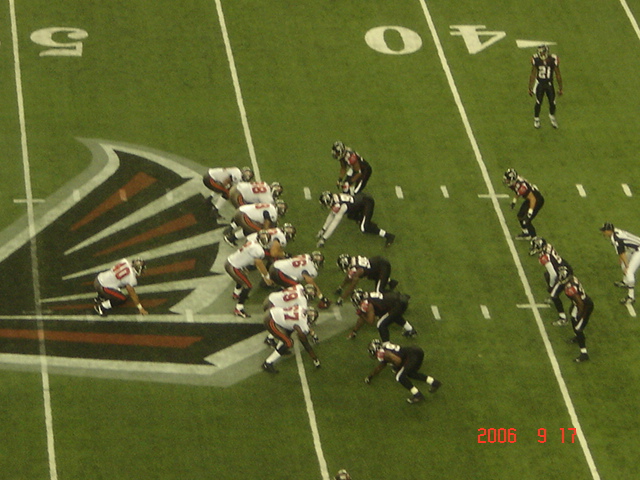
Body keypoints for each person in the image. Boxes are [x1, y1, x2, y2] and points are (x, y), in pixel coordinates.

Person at [364, 339, 441, 404]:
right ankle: (434, 382)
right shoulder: (385, 347)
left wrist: (396, 367)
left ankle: (417, 395)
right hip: (416, 351)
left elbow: (398, 360)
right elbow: (381, 366)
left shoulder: (382, 353)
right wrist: (370, 376)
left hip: (411, 356)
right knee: (411, 374)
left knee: (399, 377)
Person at [317, 191, 395, 248]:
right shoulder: (335, 198)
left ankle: (388, 236)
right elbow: (332, 215)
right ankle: (366, 221)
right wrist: (323, 229)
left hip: (367, 203)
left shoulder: (342, 207)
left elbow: (335, 222)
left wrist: (324, 239)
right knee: (350, 216)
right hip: (359, 201)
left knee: (364, 228)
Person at [224, 230, 274, 318]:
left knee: (242, 277)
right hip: (233, 266)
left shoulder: (252, 242)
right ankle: (239, 309)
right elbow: (259, 263)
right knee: (247, 286)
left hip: (232, 262)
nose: (265, 241)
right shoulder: (258, 250)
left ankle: (236, 294)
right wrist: (266, 276)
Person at [262, 305, 321, 373]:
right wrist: (314, 358)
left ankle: (280, 348)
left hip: (272, 312)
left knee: (288, 332)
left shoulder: (300, 308)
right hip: (270, 320)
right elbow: (305, 343)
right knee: (289, 343)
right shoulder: (302, 322)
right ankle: (267, 363)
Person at [529, 237, 572, 326]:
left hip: (563, 273)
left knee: (554, 295)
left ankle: (563, 318)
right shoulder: (548, 246)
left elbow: (553, 274)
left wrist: (551, 286)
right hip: (564, 266)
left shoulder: (544, 257)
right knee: (546, 275)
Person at [348, 289, 417, 341]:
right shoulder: (367, 296)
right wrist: (354, 331)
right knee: (392, 316)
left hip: (397, 304)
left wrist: (361, 314)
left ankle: (386, 346)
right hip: (398, 300)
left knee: (380, 324)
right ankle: (410, 330)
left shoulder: (367, 304)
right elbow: (362, 319)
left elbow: (371, 321)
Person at [557, 266, 593, 363]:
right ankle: (577, 337)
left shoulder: (570, 288)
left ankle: (584, 353)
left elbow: (580, 303)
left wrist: (579, 315)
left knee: (578, 328)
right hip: (579, 303)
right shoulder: (572, 279)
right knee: (573, 318)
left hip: (584, 306)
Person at [600, 222, 640, 305]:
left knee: (629, 271)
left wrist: (627, 266)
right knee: (623, 264)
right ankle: (625, 282)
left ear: (609, 231)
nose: (603, 232)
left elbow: (621, 252)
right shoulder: (616, 231)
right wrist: (622, 261)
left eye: (604, 231)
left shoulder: (615, 238)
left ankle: (631, 297)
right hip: (633, 248)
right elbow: (623, 247)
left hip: (638, 250)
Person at [223, 200, 287, 246]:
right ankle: (231, 238)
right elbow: (266, 227)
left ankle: (229, 228)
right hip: (243, 216)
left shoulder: (270, 206)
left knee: (253, 223)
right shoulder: (273, 213)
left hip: (240, 210)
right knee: (257, 230)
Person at [503, 168, 544, 240]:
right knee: (520, 215)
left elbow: (533, 199)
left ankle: (534, 238)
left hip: (537, 200)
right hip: (530, 199)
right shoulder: (517, 183)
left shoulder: (521, 186)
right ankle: (526, 233)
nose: (506, 181)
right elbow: (518, 191)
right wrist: (514, 200)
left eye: (507, 179)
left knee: (527, 220)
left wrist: (530, 212)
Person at [528, 44, 563, 129]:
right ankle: (536, 119)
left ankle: (552, 116)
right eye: (540, 52)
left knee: (552, 102)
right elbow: (533, 74)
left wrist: (560, 87)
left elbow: (558, 74)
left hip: (549, 83)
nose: (541, 54)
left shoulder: (552, 59)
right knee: (538, 102)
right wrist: (530, 87)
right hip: (540, 83)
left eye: (542, 52)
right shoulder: (536, 60)